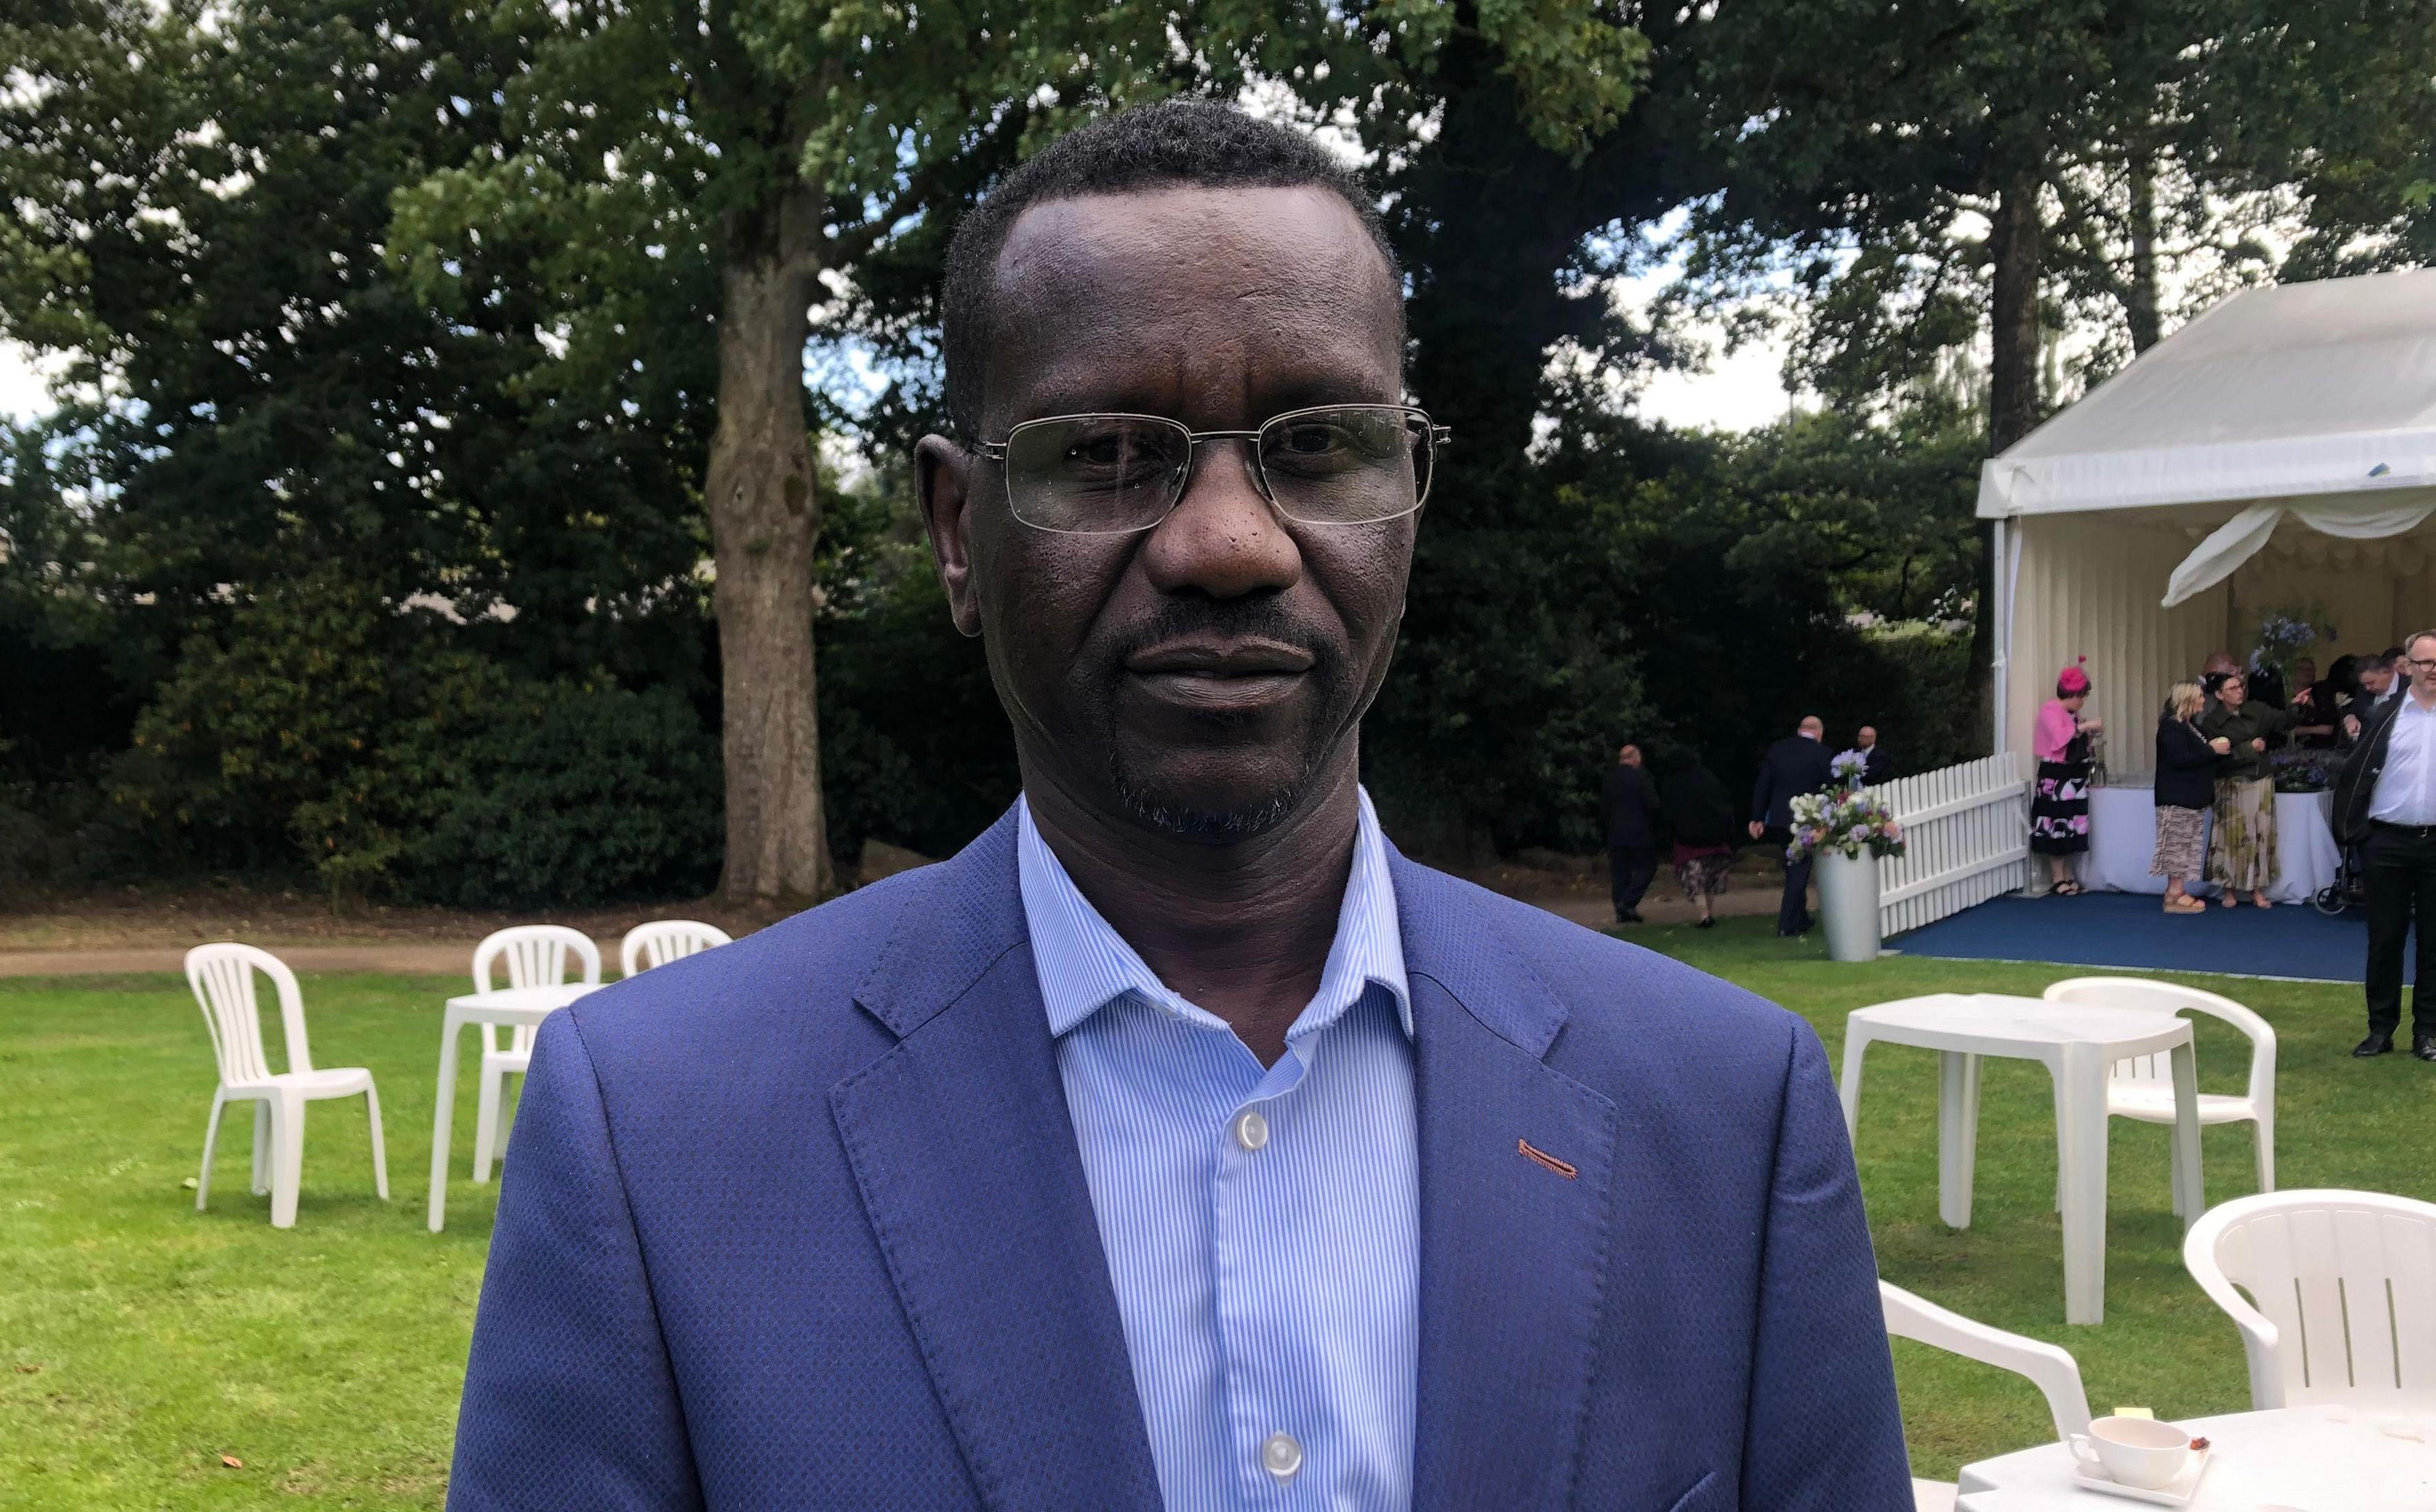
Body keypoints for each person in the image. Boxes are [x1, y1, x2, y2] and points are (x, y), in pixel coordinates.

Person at [444, 101, 1913, 1510]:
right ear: (959, 532)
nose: (1227, 543)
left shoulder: (1723, 1113)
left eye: (1321, 444)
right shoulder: (657, 1135)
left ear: (1410, 496)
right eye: (1109, 453)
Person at [2332, 630, 2436, 1060]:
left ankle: (2428, 1033)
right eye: (2426, 662)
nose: (2434, 671)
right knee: (2385, 940)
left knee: (2434, 943)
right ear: (2406, 666)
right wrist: (2358, 835)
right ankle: (2380, 1029)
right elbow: (2352, 774)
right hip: (2386, 841)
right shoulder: (2383, 715)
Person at [2201, 670, 2292, 909]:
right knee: (2230, 838)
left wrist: (2296, 706)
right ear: (2220, 695)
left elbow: (2284, 722)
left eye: (2241, 686)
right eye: (2232, 688)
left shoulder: (2257, 710)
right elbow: (2216, 758)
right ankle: (2228, 889)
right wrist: (2249, 749)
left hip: (2260, 779)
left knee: (2261, 835)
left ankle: (2258, 889)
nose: (2240, 691)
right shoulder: (2211, 722)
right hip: (2230, 782)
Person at [1752, 715, 1837, 935]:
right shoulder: (1823, 753)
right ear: (1819, 733)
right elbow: (1831, 787)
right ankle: (1787, 924)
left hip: (1779, 819)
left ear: (1800, 730)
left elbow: (1764, 783)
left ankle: (1800, 918)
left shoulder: (1778, 749)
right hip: (1805, 820)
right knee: (1798, 871)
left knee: (1794, 868)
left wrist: (1757, 817)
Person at [2153, 680, 2229, 915]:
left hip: (2192, 797)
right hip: (2177, 796)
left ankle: (2177, 890)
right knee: (2176, 845)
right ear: (2186, 699)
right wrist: (2211, 751)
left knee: (2187, 846)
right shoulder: (2171, 726)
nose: (2203, 700)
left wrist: (2217, 752)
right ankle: (2175, 892)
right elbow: (2181, 759)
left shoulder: (2191, 726)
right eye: (2199, 696)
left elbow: (2200, 755)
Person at [2031, 664, 2101, 895]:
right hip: (2056, 775)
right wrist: (2085, 726)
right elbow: (2061, 738)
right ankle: (2057, 877)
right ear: (2071, 694)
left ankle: (2068, 874)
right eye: (2081, 696)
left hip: (2074, 775)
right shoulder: (2050, 710)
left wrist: (2087, 731)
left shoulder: (2073, 715)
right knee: (2057, 823)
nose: (2082, 702)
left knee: (2072, 823)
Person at [1663, 749, 1739, 930]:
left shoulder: (1673, 784)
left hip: (1688, 842)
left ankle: (1704, 915)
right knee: (1710, 879)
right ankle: (1709, 913)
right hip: (1715, 841)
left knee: (1695, 880)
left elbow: (1669, 813)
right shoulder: (1708, 779)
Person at [1601, 742, 1660, 924]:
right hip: (1639, 832)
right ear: (1635, 758)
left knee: (1620, 873)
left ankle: (1621, 910)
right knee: (1647, 867)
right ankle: (1627, 903)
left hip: (1616, 833)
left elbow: (1604, 808)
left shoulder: (1609, 779)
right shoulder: (1641, 778)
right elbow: (1653, 804)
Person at [2345, 653, 2400, 738]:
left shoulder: (2411, 688)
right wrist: (2350, 719)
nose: (2367, 688)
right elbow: (2353, 711)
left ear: (2386, 672)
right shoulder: (2363, 691)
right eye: (2364, 684)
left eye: (2371, 682)